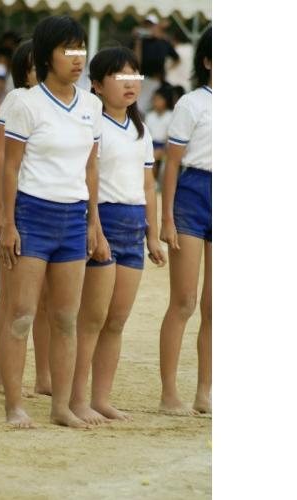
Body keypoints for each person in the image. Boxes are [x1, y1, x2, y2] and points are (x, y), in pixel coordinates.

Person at [0, 15, 102, 428]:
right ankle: (14, 406)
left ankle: (61, 407)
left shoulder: (92, 105)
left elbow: (91, 168)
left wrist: (93, 223)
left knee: (65, 318)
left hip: (74, 217)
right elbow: (9, 167)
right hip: (32, 215)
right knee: (22, 314)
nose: (77, 58)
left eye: (81, 49)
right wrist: (8, 223)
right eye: (67, 50)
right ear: (46, 56)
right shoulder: (26, 103)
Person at [70, 47, 166, 425]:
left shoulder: (142, 130)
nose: (130, 83)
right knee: (91, 319)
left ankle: (101, 399)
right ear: (96, 85)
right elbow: (87, 179)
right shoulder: (92, 125)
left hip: (134, 225)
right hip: (104, 221)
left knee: (116, 321)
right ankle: (77, 399)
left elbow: (148, 185)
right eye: (119, 76)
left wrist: (152, 235)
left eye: (134, 75)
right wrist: (94, 227)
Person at [0, 40, 51, 397]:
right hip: (19, 206)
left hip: (47, 206)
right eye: (35, 66)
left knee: (45, 302)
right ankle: (3, 376)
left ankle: (44, 378)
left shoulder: (54, 103)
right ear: (23, 72)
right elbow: (1, 155)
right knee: (12, 298)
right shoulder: (17, 99)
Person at [158, 27, 212, 416]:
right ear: (208, 61)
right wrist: (166, 218)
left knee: (216, 306)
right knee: (184, 300)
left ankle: (205, 392)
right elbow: (172, 165)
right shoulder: (192, 104)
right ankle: (169, 393)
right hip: (192, 196)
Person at [145, 85, 174, 181]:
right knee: (149, 157)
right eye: (154, 99)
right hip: (151, 145)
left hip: (165, 146)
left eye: (159, 99)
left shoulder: (171, 116)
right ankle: (152, 182)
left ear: (166, 101)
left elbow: (170, 137)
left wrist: (163, 150)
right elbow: (146, 136)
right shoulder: (150, 115)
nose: (155, 102)